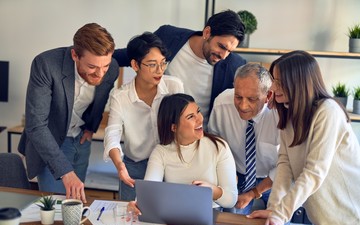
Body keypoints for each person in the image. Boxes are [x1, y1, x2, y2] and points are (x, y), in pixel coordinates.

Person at [248, 50, 360, 225]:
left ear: (299, 82)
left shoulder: (328, 111)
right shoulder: (289, 113)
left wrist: (281, 214)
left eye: (280, 82)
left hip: (348, 219)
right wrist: (275, 210)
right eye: (274, 80)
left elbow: (314, 172)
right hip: (324, 221)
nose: (274, 87)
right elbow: (285, 166)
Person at [18, 23, 119, 202]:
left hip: (81, 140)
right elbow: (36, 125)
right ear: (74, 55)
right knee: (56, 206)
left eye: (105, 66)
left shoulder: (111, 69)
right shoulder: (46, 65)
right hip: (52, 142)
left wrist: (91, 127)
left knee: (75, 204)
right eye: (92, 67)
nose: (100, 74)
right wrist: (65, 171)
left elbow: (101, 98)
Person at [113, 9, 247, 128]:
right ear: (207, 32)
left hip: (199, 138)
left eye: (230, 51)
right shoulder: (169, 36)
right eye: (222, 47)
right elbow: (128, 56)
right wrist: (98, 56)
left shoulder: (235, 66)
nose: (224, 56)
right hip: (160, 133)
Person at [208, 63, 294, 225]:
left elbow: (286, 164)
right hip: (237, 175)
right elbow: (214, 141)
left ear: (268, 95)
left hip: (275, 177)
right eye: (238, 97)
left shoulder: (281, 114)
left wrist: (255, 192)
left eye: (252, 99)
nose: (243, 106)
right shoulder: (221, 103)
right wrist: (225, 170)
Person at [103, 32, 184, 201]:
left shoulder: (173, 86)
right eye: (152, 64)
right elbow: (112, 134)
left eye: (163, 63)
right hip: (135, 168)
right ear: (135, 65)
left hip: (171, 165)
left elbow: (184, 126)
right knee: (130, 217)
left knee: (169, 219)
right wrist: (120, 165)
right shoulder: (120, 96)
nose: (160, 70)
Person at [128, 93, 238, 214]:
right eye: (191, 117)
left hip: (212, 215)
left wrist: (212, 191)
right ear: (174, 127)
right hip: (174, 216)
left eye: (198, 112)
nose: (200, 119)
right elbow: (149, 191)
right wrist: (138, 204)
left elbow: (231, 199)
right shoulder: (160, 153)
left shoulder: (218, 147)